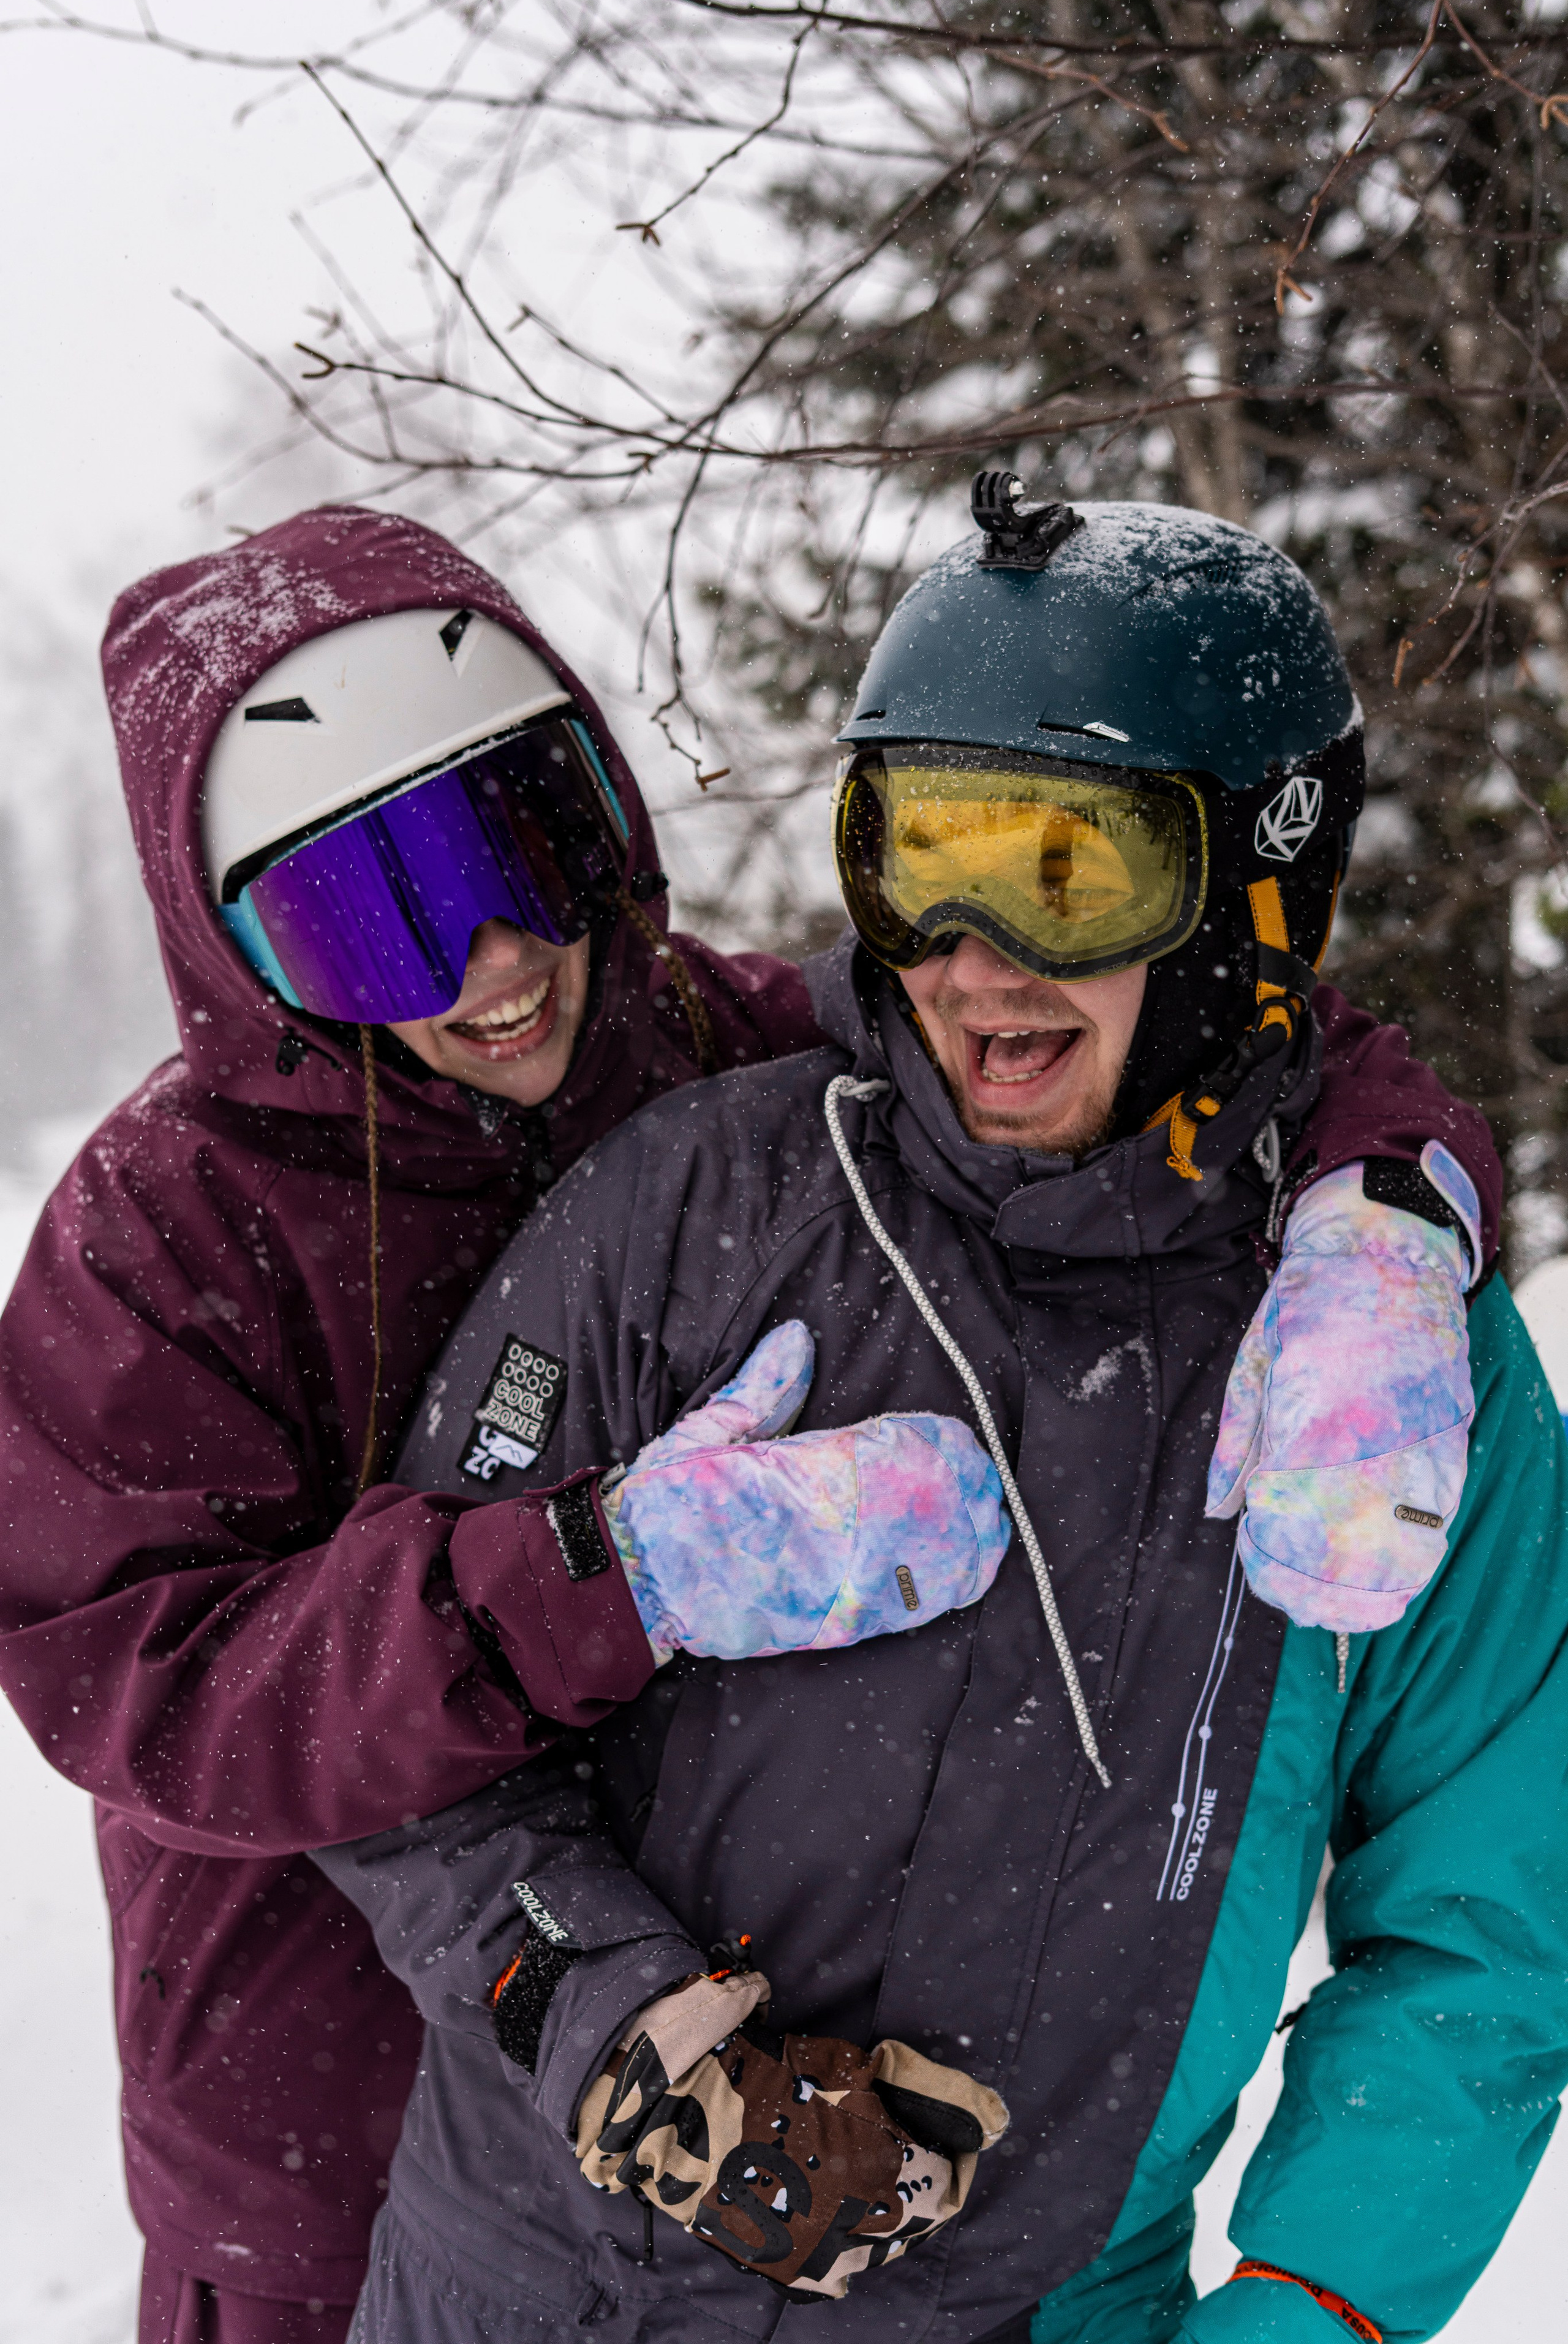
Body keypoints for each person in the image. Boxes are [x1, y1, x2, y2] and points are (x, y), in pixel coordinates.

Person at [0, 494, 1509, 2344]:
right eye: (370, 918)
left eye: (526, 839)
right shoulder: (171, 1234)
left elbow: (1218, 1027)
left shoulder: (717, 1064)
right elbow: (133, 1675)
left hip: (807, 2188)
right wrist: (594, 1584)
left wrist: (1391, 1204)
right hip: (328, 2136)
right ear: (249, 967)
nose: (493, 959)